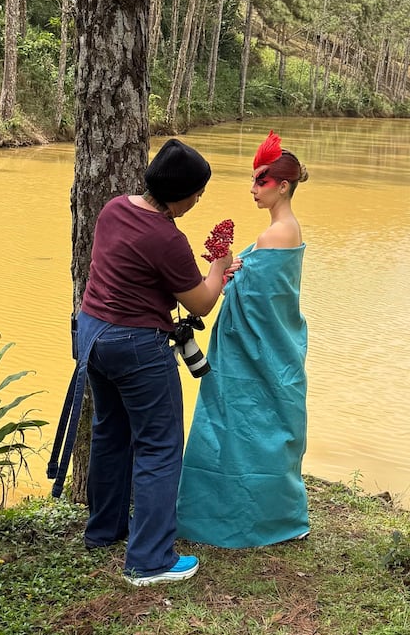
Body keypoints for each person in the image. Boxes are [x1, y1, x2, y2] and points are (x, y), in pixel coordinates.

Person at [78, 138, 233, 587]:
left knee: (111, 433)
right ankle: (149, 561)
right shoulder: (167, 237)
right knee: (160, 447)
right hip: (135, 347)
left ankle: (104, 531)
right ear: (180, 193)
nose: (199, 199)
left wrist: (210, 273)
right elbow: (202, 303)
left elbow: (137, 273)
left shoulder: (114, 209)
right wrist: (219, 267)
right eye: (197, 192)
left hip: (93, 335)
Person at [176, 131, 309, 548]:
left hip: (253, 349)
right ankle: (266, 512)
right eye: (253, 180)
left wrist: (223, 271)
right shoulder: (284, 229)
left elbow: (260, 303)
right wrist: (232, 267)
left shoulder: (276, 235)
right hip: (271, 344)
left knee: (240, 425)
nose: (253, 189)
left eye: (261, 182)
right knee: (260, 430)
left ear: (283, 186)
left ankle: (233, 517)